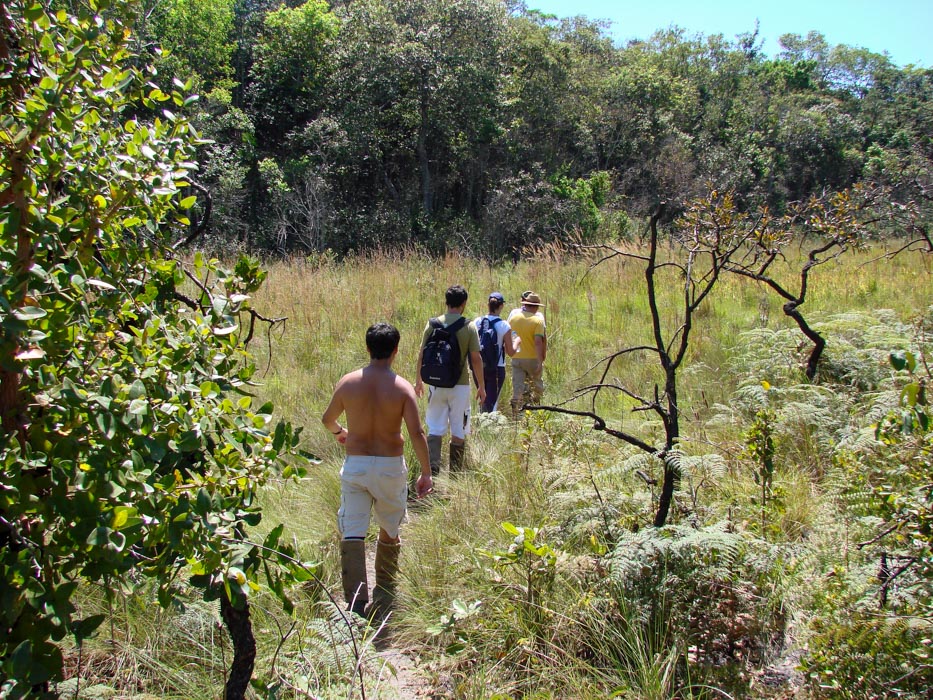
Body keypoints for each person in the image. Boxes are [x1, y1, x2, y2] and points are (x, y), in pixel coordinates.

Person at [322, 322, 433, 619]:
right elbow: (416, 433)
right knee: (390, 528)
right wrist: (426, 472)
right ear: (395, 350)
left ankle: (356, 603)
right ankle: (384, 591)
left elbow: (327, 419)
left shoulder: (348, 383)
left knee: (353, 530)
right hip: (389, 466)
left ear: (367, 348)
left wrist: (340, 433)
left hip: (356, 464)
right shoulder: (402, 388)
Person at [414, 285, 485, 475]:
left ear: (446, 302)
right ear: (464, 303)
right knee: (459, 430)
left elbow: (421, 354)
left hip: (435, 385)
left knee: (435, 428)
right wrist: (481, 386)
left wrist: (418, 381)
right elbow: (476, 358)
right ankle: (455, 475)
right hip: (460, 386)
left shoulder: (432, 324)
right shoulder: (469, 326)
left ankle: (433, 472)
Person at [473, 292, 518, 413]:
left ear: (488, 305)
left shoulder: (477, 322)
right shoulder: (504, 325)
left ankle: (481, 419)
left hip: (479, 366)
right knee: (491, 403)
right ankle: (487, 421)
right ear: (501, 306)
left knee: (483, 398)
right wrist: (517, 342)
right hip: (497, 367)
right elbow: (511, 352)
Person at [507, 290, 547, 415]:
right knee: (536, 387)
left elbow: (511, 337)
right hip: (532, 358)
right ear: (535, 307)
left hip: (517, 357)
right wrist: (540, 361)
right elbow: (538, 342)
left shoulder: (513, 318)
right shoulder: (537, 321)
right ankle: (535, 413)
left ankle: (517, 415)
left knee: (518, 388)